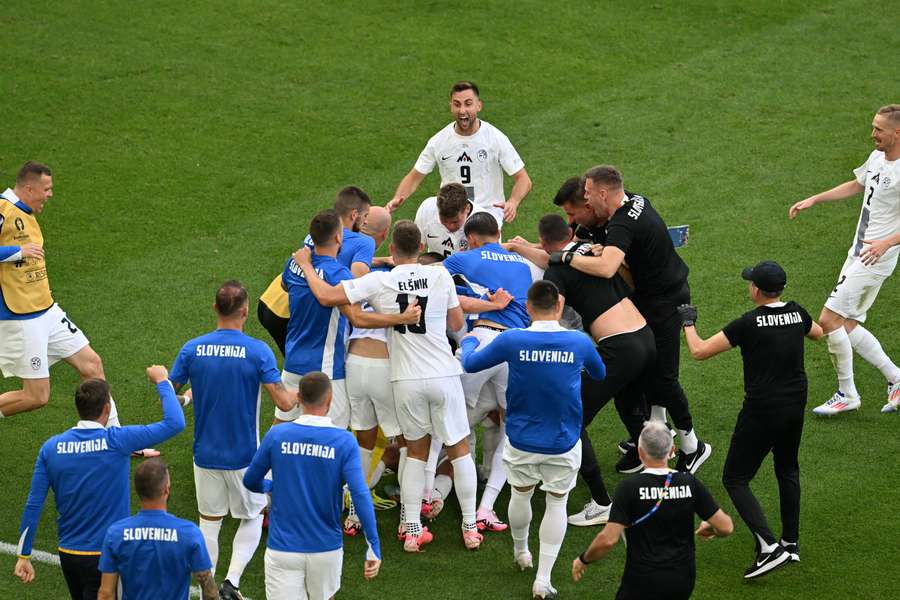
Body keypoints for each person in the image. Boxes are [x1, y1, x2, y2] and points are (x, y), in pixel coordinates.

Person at [292, 220, 489, 552]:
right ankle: (470, 527)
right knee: (458, 448)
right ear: (421, 246)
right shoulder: (440, 275)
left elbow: (326, 296)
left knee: (415, 452)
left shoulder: (380, 281)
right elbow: (456, 324)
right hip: (442, 374)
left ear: (392, 250)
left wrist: (307, 266)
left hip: (405, 378)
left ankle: (412, 530)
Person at [558, 165, 711, 473]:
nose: (580, 210)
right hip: (649, 298)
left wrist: (570, 258)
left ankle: (693, 446)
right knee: (646, 369)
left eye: (587, 197)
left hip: (667, 301)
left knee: (664, 376)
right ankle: (656, 431)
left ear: (601, 194)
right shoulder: (632, 203)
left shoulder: (622, 224)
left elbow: (607, 268)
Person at [461, 280, 606, 600]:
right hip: (564, 440)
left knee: (521, 494)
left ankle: (520, 552)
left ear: (527, 308)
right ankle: (542, 579)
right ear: (558, 307)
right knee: (556, 503)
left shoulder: (512, 339)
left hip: (521, 439)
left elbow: (470, 363)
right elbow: (600, 374)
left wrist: (470, 341)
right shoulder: (579, 342)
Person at [508, 212, 656, 526]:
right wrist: (522, 248)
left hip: (619, 347)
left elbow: (553, 310)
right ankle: (662, 477)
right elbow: (554, 257)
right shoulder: (587, 248)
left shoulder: (559, 268)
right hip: (644, 336)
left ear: (545, 241)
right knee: (630, 406)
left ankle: (602, 503)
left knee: (574, 420)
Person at [678, 261, 824, 578]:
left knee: (735, 477)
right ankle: (791, 545)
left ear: (756, 290)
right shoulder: (797, 312)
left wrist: (688, 323)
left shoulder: (749, 323)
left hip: (761, 410)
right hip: (794, 406)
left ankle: (769, 548)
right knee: (787, 468)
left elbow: (700, 352)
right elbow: (819, 333)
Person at [169, 280, 297, 600]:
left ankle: (207, 589)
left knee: (209, 523)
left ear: (215, 308)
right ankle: (232, 583)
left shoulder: (193, 349)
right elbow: (283, 402)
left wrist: (186, 398)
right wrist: (305, 393)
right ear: (245, 311)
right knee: (252, 516)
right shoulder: (257, 351)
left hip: (205, 454)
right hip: (244, 455)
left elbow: (168, 392)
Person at [14, 366, 185, 599]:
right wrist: (163, 381)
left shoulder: (50, 448)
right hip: (109, 555)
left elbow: (34, 504)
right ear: (107, 408)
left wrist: (24, 555)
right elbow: (175, 423)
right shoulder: (117, 440)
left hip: (69, 555)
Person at [788, 104, 900, 415]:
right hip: (858, 252)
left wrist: (885, 243)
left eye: (879, 129)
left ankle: (847, 392)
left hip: (875, 257)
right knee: (846, 323)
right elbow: (858, 184)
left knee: (827, 320)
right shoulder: (878, 157)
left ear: (897, 133)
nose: (872, 133)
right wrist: (815, 199)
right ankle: (896, 378)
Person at [0, 162, 123, 425]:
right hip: (20, 316)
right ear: (29, 187)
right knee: (36, 397)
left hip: (46, 309)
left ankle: (113, 438)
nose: (50, 194)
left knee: (92, 364)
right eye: (46, 189)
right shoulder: (3, 209)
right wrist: (17, 253)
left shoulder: (26, 214)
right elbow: (18, 254)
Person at [275, 209, 420, 427]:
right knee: (333, 436)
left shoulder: (294, 264)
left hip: (293, 361)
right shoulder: (338, 274)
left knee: (282, 429)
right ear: (337, 237)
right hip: (325, 368)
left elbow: (285, 285)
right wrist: (401, 318)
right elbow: (357, 318)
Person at [443, 211, 542, 532]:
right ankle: (487, 506)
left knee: (449, 419)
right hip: (515, 350)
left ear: (471, 239)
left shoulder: (462, 260)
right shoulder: (525, 266)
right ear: (498, 233)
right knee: (509, 427)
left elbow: (433, 289)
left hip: (480, 340)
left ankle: (429, 492)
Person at [243, 372, 381, 599]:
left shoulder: (277, 434)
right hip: (325, 549)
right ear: (330, 399)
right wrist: (373, 545)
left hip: (282, 548)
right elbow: (359, 493)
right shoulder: (344, 441)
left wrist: (269, 486)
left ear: (298, 397)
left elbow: (250, 480)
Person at [572, 421, 733, 600]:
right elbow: (726, 527)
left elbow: (608, 540)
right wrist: (710, 528)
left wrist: (583, 559)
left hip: (642, 580)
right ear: (672, 450)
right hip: (682, 579)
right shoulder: (689, 483)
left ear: (640, 453)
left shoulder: (629, 488)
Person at [386, 81, 532, 225]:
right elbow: (414, 177)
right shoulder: (439, 141)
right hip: (452, 216)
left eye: (468, 104)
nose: (462, 110)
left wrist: (513, 202)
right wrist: (398, 198)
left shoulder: (495, 138)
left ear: (479, 105)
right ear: (451, 106)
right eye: (457, 104)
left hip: (487, 217)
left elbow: (523, 179)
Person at [257, 186, 376, 355]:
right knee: (308, 368)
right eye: (365, 216)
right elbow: (356, 282)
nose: (366, 222)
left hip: (270, 299)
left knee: (295, 363)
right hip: (288, 313)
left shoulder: (321, 230)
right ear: (354, 214)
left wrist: (376, 261)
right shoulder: (364, 242)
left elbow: (330, 258)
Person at [343, 206, 400, 533]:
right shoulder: (420, 282)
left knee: (363, 440)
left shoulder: (367, 279)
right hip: (383, 366)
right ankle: (413, 518)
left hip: (353, 364)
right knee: (410, 443)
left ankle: (352, 512)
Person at [98, 459, 217, 600]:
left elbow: (106, 593)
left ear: (137, 490)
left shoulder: (116, 534)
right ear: (166, 489)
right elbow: (209, 592)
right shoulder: (189, 533)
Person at [415, 182, 487, 256]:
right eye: (444, 221)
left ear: (467, 209)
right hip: (434, 265)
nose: (449, 226)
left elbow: (489, 263)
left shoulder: (484, 223)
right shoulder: (427, 209)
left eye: (455, 222)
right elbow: (414, 248)